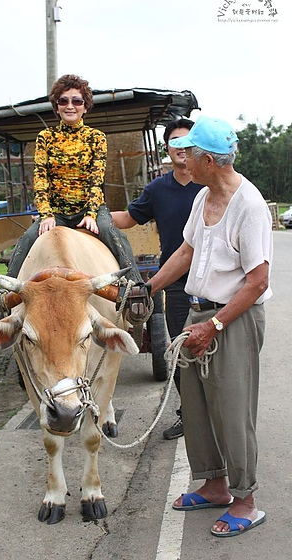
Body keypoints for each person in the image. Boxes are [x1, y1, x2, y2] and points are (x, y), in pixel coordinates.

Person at [146, 115, 272, 537]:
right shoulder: (203, 198)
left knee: (232, 410)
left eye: (188, 153)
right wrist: (149, 287)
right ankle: (215, 484)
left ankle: (245, 499)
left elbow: (257, 281)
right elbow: (186, 250)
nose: (181, 160)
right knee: (198, 407)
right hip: (200, 314)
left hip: (231, 319)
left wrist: (214, 325)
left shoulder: (249, 205)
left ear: (209, 161)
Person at [0, 74, 150, 327]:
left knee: (112, 232)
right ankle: (4, 296)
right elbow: (40, 178)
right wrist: (46, 215)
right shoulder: (45, 138)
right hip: (56, 212)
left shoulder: (96, 137)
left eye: (77, 101)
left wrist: (90, 213)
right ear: (56, 107)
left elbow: (96, 178)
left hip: (89, 208)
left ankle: (135, 289)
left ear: (85, 106)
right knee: (27, 238)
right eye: (64, 101)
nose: (70, 106)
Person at [112, 118, 203, 439]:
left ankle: (220, 417)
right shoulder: (157, 190)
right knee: (181, 352)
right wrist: (88, 217)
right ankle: (188, 414)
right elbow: (126, 218)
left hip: (217, 284)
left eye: (188, 141)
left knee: (220, 353)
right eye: (175, 142)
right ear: (168, 148)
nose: (182, 148)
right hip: (176, 283)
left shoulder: (212, 183)